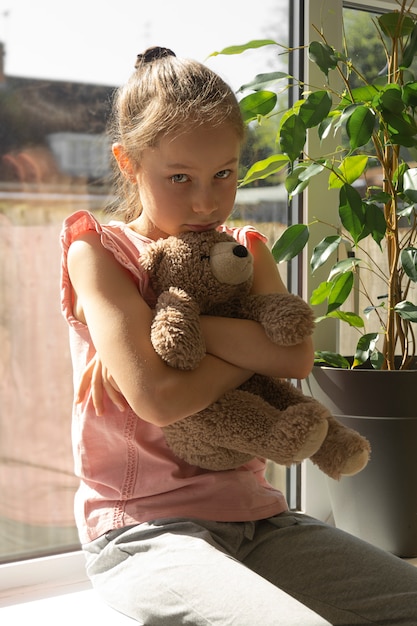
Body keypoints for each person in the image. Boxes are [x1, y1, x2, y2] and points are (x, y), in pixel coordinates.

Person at [60, 46, 417, 626]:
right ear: (128, 164)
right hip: (145, 532)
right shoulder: (98, 251)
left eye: (223, 173)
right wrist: (250, 343)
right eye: (180, 178)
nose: (206, 201)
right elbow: (158, 399)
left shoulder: (243, 246)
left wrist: (189, 335)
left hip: (261, 520)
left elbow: (297, 355)